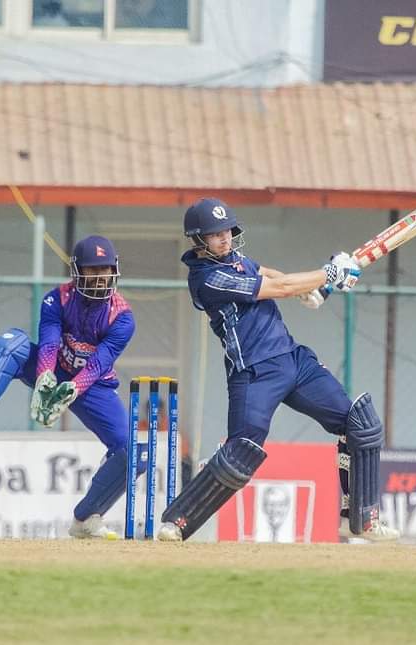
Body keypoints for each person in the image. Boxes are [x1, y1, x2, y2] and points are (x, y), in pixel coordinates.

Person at [155, 198, 400, 543]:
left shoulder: (234, 259)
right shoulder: (208, 279)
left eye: (227, 231)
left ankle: (360, 520)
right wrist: (327, 274)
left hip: (292, 359)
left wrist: (313, 289)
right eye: (215, 235)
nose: (225, 239)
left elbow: (268, 274)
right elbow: (277, 289)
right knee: (241, 452)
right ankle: (177, 521)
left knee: (359, 423)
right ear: (199, 240)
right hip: (254, 372)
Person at [0, 235, 136, 540]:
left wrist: (72, 388)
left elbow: (98, 363)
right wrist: (45, 378)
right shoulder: (57, 300)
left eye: (106, 270)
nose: (101, 278)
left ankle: (86, 518)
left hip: (93, 385)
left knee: (131, 450)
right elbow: (49, 342)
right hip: (55, 367)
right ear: (77, 271)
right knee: (11, 342)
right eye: (93, 271)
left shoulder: (122, 317)